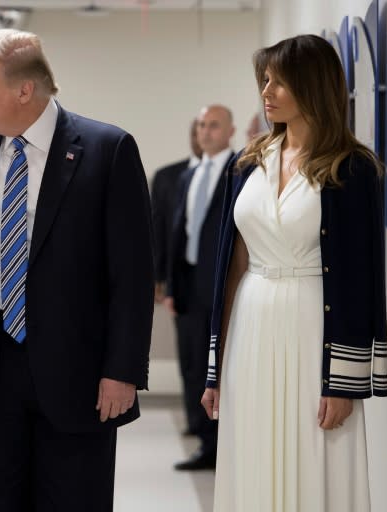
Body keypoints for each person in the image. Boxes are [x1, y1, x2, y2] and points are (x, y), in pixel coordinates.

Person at [0, 29, 154, 511]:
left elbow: (133, 272)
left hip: (78, 371)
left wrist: (123, 369)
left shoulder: (107, 149)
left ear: (24, 90)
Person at [201, 35, 387, 511]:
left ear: (313, 86)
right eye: (265, 80)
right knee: (253, 451)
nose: (267, 91)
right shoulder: (248, 163)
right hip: (251, 325)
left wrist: (343, 381)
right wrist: (214, 368)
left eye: (280, 82)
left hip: (313, 329)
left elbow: (360, 279)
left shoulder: (352, 168)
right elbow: (233, 265)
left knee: (317, 453)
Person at [164, 104, 235, 470]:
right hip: (190, 287)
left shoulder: (241, 170)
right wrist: (172, 287)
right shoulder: (189, 176)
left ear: (230, 130)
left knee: (217, 368)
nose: (206, 132)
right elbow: (179, 233)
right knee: (193, 366)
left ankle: (222, 446)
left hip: (222, 288)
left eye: (213, 125)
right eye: (202, 125)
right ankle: (206, 443)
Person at [151, 118, 201, 304]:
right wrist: (157, 274)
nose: (201, 137)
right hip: (180, 276)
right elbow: (157, 227)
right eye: (196, 132)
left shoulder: (236, 172)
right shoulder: (166, 177)